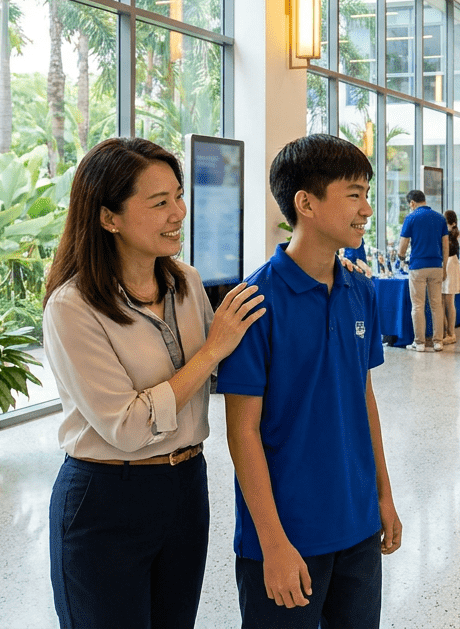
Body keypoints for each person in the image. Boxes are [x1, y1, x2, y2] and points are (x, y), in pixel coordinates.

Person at [42, 137, 267, 629]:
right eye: (159, 202)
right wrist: (210, 351)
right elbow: (127, 425)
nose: (179, 213)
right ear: (108, 217)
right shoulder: (72, 307)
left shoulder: (185, 282)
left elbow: (233, 363)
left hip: (187, 486)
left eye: (179, 196)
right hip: (106, 498)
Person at [217, 133, 402, 629]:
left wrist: (383, 495)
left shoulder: (360, 290)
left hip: (358, 526)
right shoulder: (254, 302)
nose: (367, 208)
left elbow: (363, 399)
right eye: (354, 194)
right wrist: (272, 544)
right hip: (286, 537)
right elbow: (242, 432)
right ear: (306, 203)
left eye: (367, 193)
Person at [397, 189, 450, 352]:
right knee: (436, 305)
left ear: (412, 203)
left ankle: (419, 343)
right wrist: (444, 267)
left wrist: (400, 256)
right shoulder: (440, 218)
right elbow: (445, 245)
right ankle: (438, 342)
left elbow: (403, 245)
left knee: (418, 305)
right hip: (436, 266)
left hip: (417, 267)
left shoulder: (410, 218)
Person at [441, 210, 460, 344]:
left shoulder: (452, 235)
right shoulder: (449, 234)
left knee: (449, 302)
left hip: (450, 265)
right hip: (447, 264)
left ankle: (451, 333)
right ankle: (445, 332)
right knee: (442, 302)